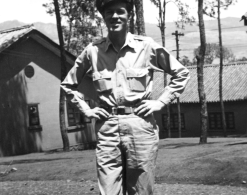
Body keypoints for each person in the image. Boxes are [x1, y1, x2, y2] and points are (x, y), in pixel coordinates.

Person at [61, 0, 190, 194]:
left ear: (128, 14)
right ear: (103, 16)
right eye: (109, 12)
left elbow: (181, 73)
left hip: (140, 124)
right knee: (109, 189)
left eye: (120, 11)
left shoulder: (145, 47)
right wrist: (87, 110)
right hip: (107, 126)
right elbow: (68, 85)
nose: (115, 16)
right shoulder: (93, 52)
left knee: (140, 189)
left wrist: (161, 101)